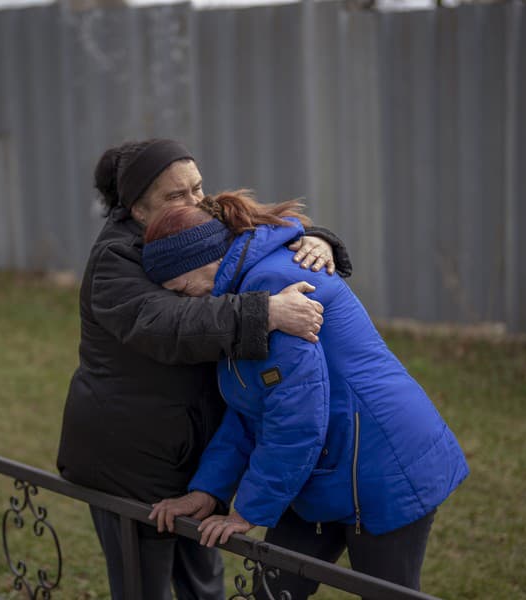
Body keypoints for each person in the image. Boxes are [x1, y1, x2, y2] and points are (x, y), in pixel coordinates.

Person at [56, 139, 353, 600]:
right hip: (129, 461)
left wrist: (316, 240)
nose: (197, 202)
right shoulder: (116, 259)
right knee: (142, 584)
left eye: (196, 187)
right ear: (137, 209)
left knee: (203, 582)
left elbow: (257, 232)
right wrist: (264, 313)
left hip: (194, 453)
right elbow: (166, 323)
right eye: (177, 195)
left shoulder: (192, 227)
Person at [143, 190, 469, 598]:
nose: (180, 297)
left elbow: (295, 417)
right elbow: (250, 410)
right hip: (325, 467)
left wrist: (247, 511)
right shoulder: (237, 299)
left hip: (381, 468)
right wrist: (208, 491)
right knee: (272, 591)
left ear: (203, 259)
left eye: (180, 286)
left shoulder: (273, 285)